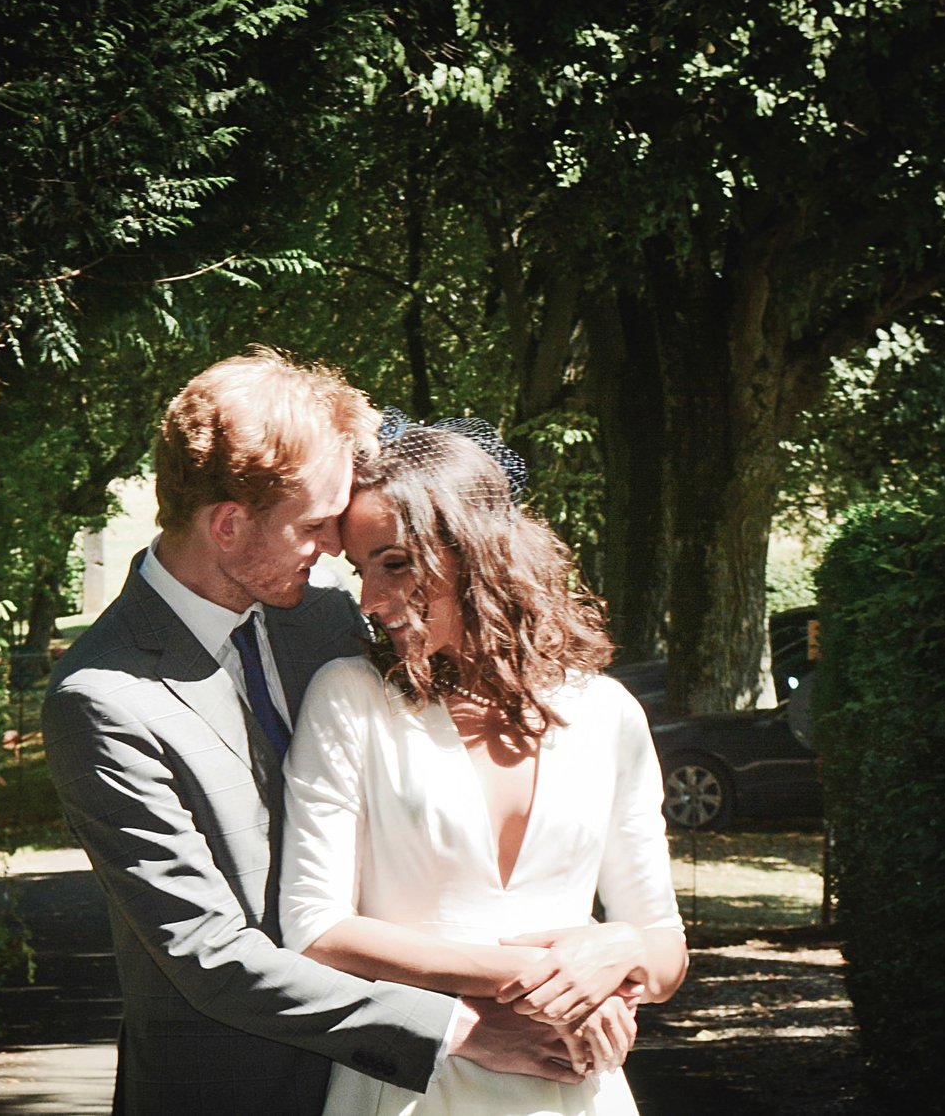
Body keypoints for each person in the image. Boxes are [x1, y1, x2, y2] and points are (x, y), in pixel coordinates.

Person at [43, 353, 621, 1116]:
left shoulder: (323, 622)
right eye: (316, 526)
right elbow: (210, 954)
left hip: (378, 1092)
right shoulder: (104, 697)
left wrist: (601, 953)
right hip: (231, 1092)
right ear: (228, 524)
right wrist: (465, 1029)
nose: (335, 555)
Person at [281, 418, 687, 1116]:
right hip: (414, 1087)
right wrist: (544, 976)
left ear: (475, 549)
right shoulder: (352, 697)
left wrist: (616, 945)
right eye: (361, 569)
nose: (372, 601)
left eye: (397, 562)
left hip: (576, 1089)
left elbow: (664, 948)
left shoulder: (607, 713)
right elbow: (316, 930)